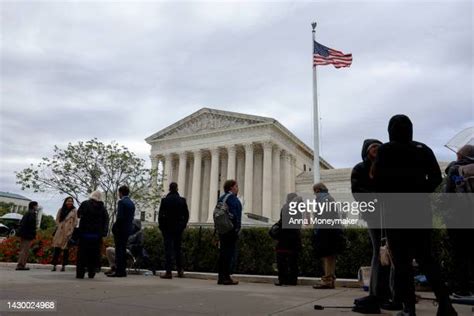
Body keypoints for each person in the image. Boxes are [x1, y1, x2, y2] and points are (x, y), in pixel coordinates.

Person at [373, 114, 457, 316]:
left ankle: (409, 309)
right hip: (420, 210)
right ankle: (446, 305)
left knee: (402, 264)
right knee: (428, 259)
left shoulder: (385, 150)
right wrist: (420, 191)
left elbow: (378, 180)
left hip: (396, 212)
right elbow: (437, 177)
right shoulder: (423, 149)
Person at [351, 139, 402, 312]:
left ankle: (394, 294)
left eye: (379, 146)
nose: (376, 149)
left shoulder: (388, 166)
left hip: (392, 214)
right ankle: (376, 293)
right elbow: (358, 192)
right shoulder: (360, 168)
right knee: (379, 252)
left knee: (393, 253)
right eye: (373, 146)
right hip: (374, 215)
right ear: (366, 150)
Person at [444, 144, 474, 298]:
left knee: (458, 254)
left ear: (460, 155)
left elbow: (447, 195)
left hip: (456, 217)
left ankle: (461, 289)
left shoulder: (455, 169)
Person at [311, 183, 346, 289]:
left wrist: (317, 231)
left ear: (317, 190)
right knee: (330, 256)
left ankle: (327, 280)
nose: (314, 194)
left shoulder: (323, 199)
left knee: (327, 256)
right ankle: (329, 279)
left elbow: (321, 215)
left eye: (314, 191)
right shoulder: (329, 198)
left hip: (326, 231)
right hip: (332, 230)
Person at [158, 182, 189, 279]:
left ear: (169, 189)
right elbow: (186, 215)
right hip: (178, 229)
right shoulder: (182, 201)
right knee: (178, 250)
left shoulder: (165, 201)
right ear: (177, 188)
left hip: (167, 229)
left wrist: (162, 227)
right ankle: (180, 271)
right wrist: (183, 225)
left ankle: (168, 272)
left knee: (168, 250)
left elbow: (160, 216)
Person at [76, 191, 109, 279]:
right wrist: (104, 232)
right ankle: (91, 272)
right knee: (94, 255)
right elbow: (106, 219)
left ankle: (80, 273)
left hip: (84, 234)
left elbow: (78, 214)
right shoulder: (102, 208)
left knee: (82, 255)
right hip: (96, 236)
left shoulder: (85, 204)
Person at [274, 193, 302, 286]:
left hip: (284, 239)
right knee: (293, 261)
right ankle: (293, 280)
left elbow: (282, 222)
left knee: (282, 260)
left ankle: (282, 279)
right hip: (295, 238)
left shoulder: (286, 207)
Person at [217, 179, 242, 285]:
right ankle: (227, 277)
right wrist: (236, 228)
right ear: (231, 187)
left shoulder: (221, 197)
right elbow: (236, 215)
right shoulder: (232, 199)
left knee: (223, 253)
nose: (237, 188)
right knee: (229, 253)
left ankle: (221, 277)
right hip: (230, 230)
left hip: (222, 229)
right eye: (236, 186)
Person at [108, 185, 135, 278]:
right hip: (128, 229)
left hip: (120, 230)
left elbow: (120, 217)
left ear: (120, 193)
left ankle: (119, 271)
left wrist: (114, 227)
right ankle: (122, 270)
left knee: (119, 250)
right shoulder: (131, 203)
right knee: (123, 250)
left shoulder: (121, 202)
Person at [51, 197, 78, 272]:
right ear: (65, 202)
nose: (70, 202)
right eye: (68, 201)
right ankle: (54, 265)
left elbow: (76, 221)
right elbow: (57, 219)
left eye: (71, 201)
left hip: (68, 232)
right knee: (57, 248)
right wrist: (59, 226)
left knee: (66, 250)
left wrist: (72, 228)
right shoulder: (61, 209)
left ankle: (63, 266)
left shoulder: (74, 210)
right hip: (60, 231)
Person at [16, 201, 39, 271]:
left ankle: (21, 264)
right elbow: (32, 225)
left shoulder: (27, 213)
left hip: (23, 234)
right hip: (28, 235)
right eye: (37, 206)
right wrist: (33, 234)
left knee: (23, 249)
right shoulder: (32, 213)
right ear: (34, 206)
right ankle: (21, 265)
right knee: (25, 250)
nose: (37, 207)